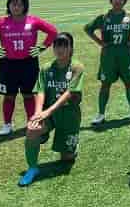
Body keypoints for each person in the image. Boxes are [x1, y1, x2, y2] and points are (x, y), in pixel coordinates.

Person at [0, 0, 57, 135]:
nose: (16, 7)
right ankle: (7, 124)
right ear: (9, 5)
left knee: (29, 95)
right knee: (9, 95)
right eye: (13, 3)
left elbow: (52, 31)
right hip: (8, 64)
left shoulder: (33, 21)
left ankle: (31, 122)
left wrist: (42, 47)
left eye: (20, 4)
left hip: (29, 63)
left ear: (25, 6)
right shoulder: (2, 22)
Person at [18, 32, 84, 186]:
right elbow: (40, 91)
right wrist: (38, 113)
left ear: (71, 48)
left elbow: (68, 94)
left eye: (64, 45)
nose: (60, 49)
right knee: (32, 129)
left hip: (69, 115)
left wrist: (47, 111)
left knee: (67, 159)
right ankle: (33, 168)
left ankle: (71, 147)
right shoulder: (46, 68)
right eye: (57, 46)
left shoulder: (77, 67)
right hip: (49, 114)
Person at [84, 0, 130, 124]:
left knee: (129, 83)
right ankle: (101, 114)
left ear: (124, 1)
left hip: (125, 55)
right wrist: (100, 42)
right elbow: (87, 28)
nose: (117, 1)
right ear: (111, 0)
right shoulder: (103, 17)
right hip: (108, 56)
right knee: (105, 84)